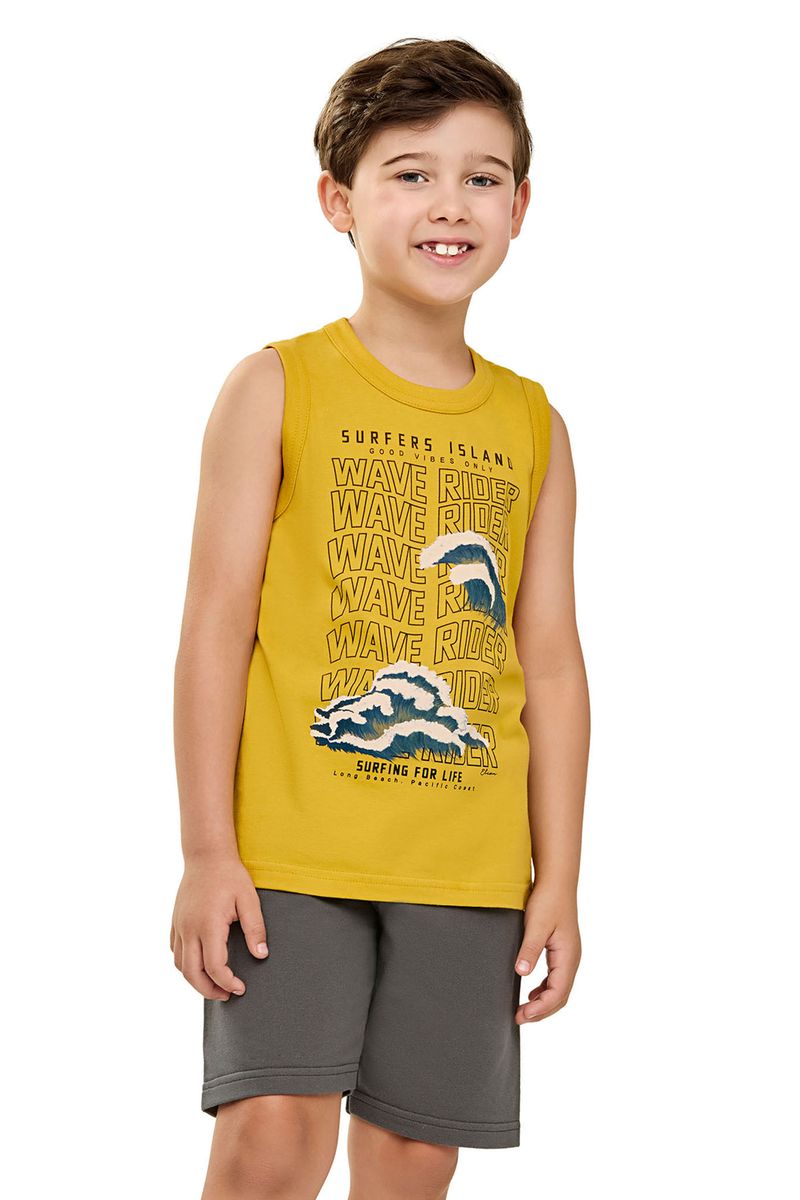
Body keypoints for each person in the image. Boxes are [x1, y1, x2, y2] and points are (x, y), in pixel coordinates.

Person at [170, 35, 590, 1200]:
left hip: (468, 866)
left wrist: (557, 875)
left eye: (480, 176)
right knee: (269, 1142)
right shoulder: (277, 386)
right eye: (410, 174)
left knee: (412, 1160)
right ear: (338, 201)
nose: (448, 204)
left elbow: (550, 665)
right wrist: (207, 851)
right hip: (290, 854)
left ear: (517, 207)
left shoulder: (533, 426)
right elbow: (214, 629)